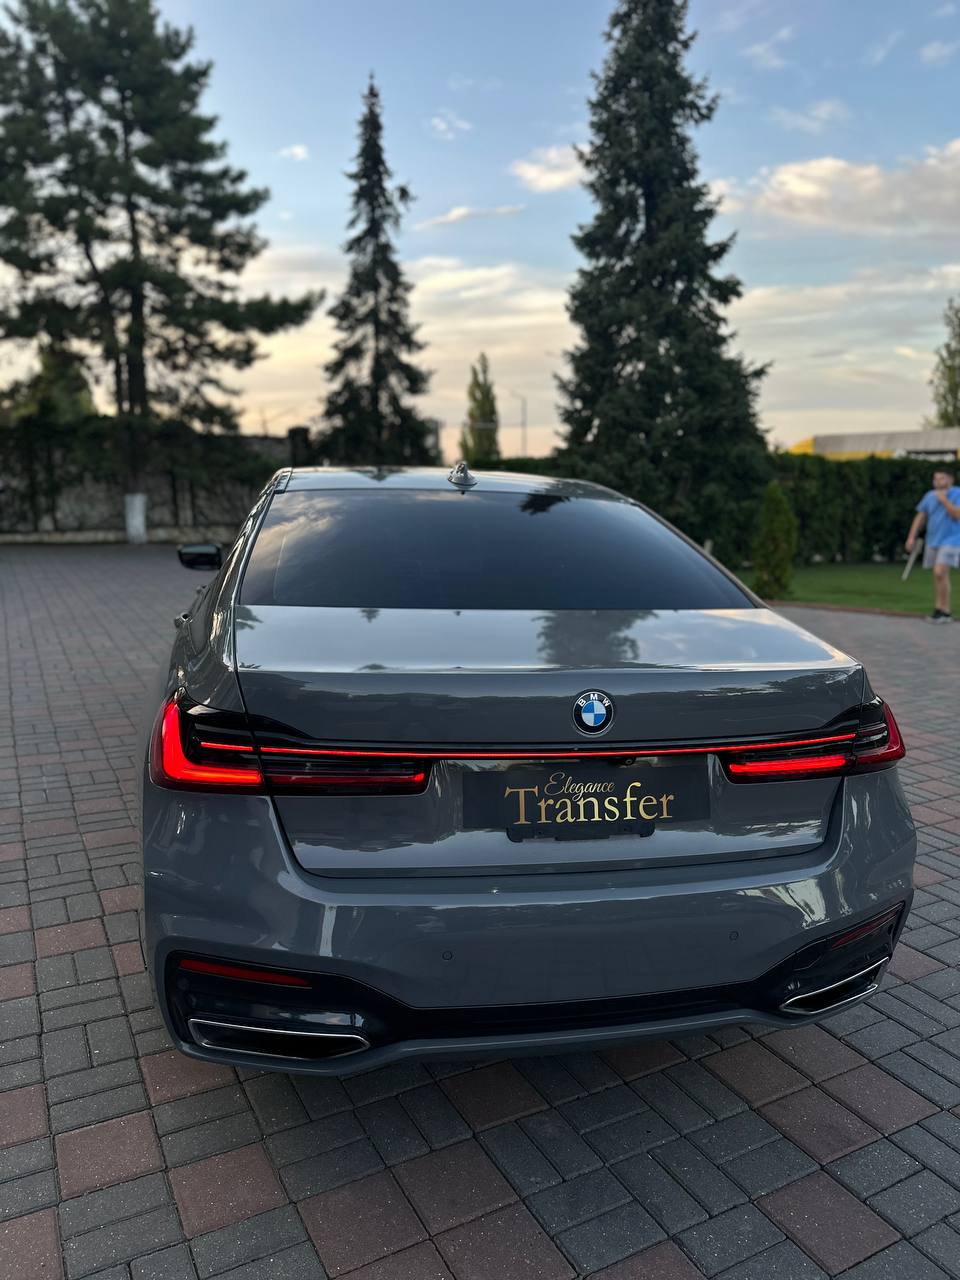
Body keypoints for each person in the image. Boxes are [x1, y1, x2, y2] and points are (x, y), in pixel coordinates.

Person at [906, 465, 960, 623]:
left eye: (941, 478)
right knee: (940, 576)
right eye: (935, 478)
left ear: (950, 479)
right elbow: (920, 516)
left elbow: (957, 515)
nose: (937, 481)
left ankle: (943, 611)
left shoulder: (957, 493)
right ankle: (942, 610)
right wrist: (911, 537)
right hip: (933, 539)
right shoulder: (929, 495)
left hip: (952, 539)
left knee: (939, 571)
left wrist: (944, 500)